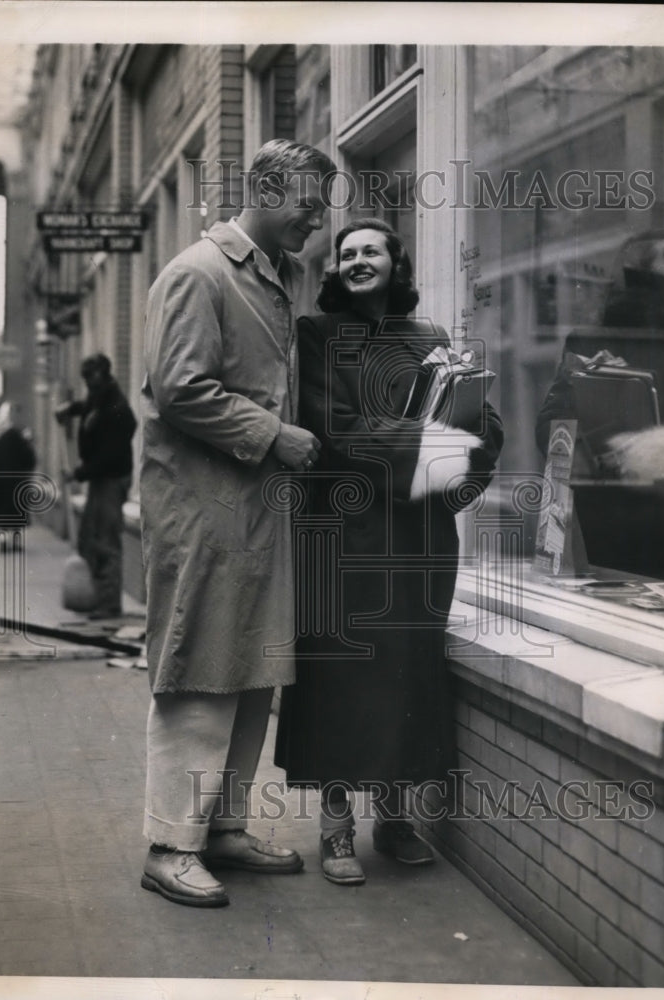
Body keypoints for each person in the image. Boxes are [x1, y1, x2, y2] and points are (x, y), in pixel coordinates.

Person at [274, 219, 504, 885]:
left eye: (370, 250)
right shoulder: (314, 337)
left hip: (416, 538)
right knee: (342, 676)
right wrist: (428, 449)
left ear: (395, 262)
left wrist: (468, 444)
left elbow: (476, 424)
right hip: (343, 531)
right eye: (346, 253)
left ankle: (396, 819)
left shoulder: (429, 339)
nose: (356, 260)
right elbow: (333, 425)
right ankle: (337, 826)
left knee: (408, 672)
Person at [139, 139, 336, 907]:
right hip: (203, 514)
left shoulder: (278, 278)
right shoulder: (198, 273)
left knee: (251, 673)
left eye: (323, 209)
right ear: (262, 188)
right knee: (198, 673)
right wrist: (272, 435)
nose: (316, 223)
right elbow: (179, 387)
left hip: (256, 512)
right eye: (306, 204)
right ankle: (168, 843)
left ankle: (221, 828)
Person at [54, 353, 137, 619]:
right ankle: (96, 596)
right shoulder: (99, 397)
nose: (88, 384)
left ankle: (109, 604)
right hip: (101, 479)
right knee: (91, 538)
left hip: (111, 479)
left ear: (103, 375)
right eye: (85, 379)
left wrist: (78, 474)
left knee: (106, 539)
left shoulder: (117, 406)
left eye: (91, 378)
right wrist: (71, 409)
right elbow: (90, 408)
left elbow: (110, 454)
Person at [0, 400, 36, 548]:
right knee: (16, 514)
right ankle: (15, 541)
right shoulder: (19, 436)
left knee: (3, 514)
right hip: (16, 482)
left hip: (0, 483)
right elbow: (29, 459)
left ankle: (3, 540)